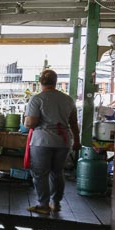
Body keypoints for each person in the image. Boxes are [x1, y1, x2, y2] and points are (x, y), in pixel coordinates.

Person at [23, 69, 80, 215]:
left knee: (40, 173)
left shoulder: (37, 99)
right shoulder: (68, 100)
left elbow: (31, 123)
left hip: (42, 141)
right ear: (56, 82)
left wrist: (26, 121)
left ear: (40, 82)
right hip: (63, 141)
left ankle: (43, 205)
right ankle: (56, 203)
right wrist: (77, 141)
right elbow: (74, 123)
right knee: (57, 172)